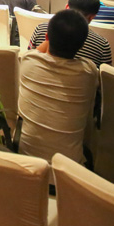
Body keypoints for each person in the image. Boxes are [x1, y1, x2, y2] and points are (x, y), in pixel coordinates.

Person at [18, 10, 98, 166]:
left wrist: (49, 39)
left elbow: (34, 52)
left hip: (25, 161)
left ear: (47, 37)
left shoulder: (28, 61)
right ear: (82, 45)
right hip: (67, 169)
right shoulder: (89, 72)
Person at [28, 0, 112, 67]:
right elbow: (105, 76)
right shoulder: (102, 45)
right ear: (92, 17)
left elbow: (29, 58)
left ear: (67, 7)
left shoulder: (40, 29)